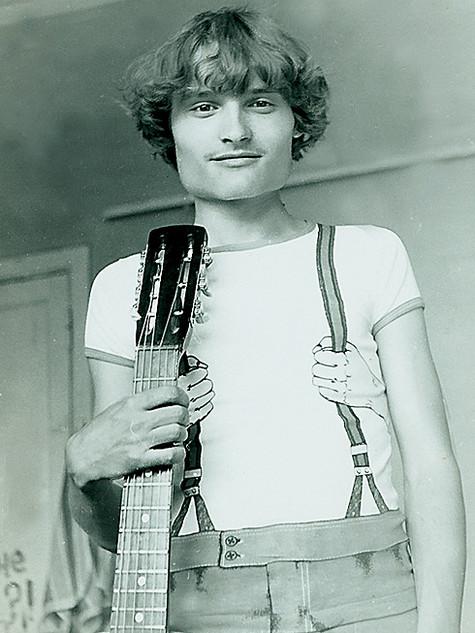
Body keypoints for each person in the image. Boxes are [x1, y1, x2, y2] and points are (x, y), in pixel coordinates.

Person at [65, 7, 466, 632]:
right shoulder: (124, 288)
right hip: (203, 604)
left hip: (371, 596)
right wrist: (84, 475)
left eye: (260, 102)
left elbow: (431, 466)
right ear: (168, 129)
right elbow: (131, 532)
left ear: (295, 121)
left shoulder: (367, 256)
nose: (235, 130)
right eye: (203, 106)